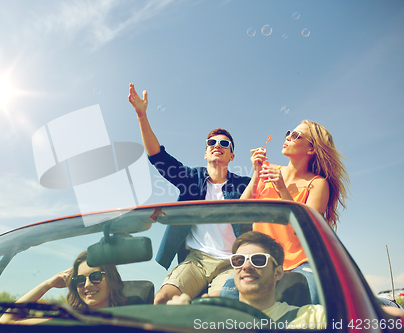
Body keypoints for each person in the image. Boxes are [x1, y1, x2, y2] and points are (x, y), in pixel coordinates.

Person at [128, 83, 251, 304]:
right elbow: (158, 158)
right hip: (196, 260)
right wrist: (141, 116)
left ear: (232, 156)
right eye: (211, 142)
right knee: (163, 300)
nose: (217, 145)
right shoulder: (191, 178)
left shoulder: (244, 184)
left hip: (232, 262)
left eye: (225, 143)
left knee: (214, 305)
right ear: (205, 152)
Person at [220, 120, 349, 304]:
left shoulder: (317, 183)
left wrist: (282, 189)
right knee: (228, 293)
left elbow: (306, 228)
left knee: (313, 296)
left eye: (296, 135)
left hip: (300, 263)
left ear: (311, 149)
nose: (288, 137)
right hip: (262, 260)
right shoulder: (268, 172)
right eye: (289, 132)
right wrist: (256, 173)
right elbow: (242, 211)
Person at [168, 231, 327, 329]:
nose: (246, 266)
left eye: (258, 260)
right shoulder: (210, 322)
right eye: (238, 260)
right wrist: (174, 321)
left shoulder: (309, 318)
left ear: (278, 273)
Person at [0, 251, 127, 325]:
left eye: (95, 276)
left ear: (112, 279)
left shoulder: (135, 319)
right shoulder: (66, 322)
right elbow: (7, 320)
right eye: (80, 279)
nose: (87, 284)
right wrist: (48, 284)